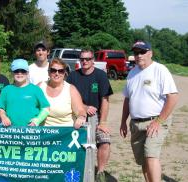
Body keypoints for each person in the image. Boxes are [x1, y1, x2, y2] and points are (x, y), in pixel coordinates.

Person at [120, 41, 178, 182]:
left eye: (142, 52)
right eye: (136, 52)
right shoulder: (132, 73)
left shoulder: (160, 70)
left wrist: (158, 122)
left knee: (151, 155)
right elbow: (128, 99)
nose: (139, 55)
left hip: (155, 121)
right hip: (136, 123)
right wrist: (123, 122)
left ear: (150, 53)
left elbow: (173, 97)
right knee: (143, 161)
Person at [67, 49, 113, 182]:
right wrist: (85, 107)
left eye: (88, 59)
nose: (85, 61)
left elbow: (105, 100)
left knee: (105, 141)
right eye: (82, 59)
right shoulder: (73, 76)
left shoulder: (101, 76)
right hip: (76, 115)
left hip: (95, 117)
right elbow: (68, 97)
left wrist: (103, 122)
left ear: (93, 60)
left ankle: (100, 172)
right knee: (77, 144)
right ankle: (75, 170)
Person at [0, 59, 50, 127]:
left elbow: (46, 107)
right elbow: (0, 108)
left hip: (31, 131)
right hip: (10, 130)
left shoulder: (36, 89)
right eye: (16, 71)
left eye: (23, 71)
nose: (19, 73)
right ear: (12, 73)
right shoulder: (6, 90)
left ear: (27, 73)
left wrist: (37, 120)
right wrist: (3, 117)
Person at [38, 58, 86, 128]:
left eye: (60, 71)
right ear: (48, 72)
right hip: (43, 133)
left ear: (64, 73)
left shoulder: (71, 89)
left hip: (64, 133)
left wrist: (81, 117)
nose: (57, 73)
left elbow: (80, 110)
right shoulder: (40, 87)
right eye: (53, 70)